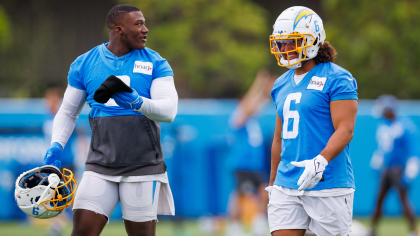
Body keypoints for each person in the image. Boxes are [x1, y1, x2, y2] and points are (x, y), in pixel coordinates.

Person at [43, 4, 178, 236]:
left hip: (142, 166)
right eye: (138, 24)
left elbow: (169, 111)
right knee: (82, 231)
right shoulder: (85, 63)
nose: (145, 29)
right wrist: (56, 146)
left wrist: (137, 102)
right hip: (100, 164)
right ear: (119, 30)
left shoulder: (156, 62)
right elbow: (67, 112)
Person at [266, 6, 358, 236]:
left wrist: (320, 161)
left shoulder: (337, 78)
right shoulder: (280, 84)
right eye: (281, 43)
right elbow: (278, 139)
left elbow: (345, 129)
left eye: (292, 42)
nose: (285, 49)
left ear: (313, 40)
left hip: (328, 183)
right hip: (287, 184)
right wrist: (273, 182)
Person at [225, 69, 276, 236]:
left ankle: (258, 222)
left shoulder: (253, 122)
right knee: (240, 194)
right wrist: (259, 83)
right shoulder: (238, 117)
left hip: (255, 164)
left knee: (263, 191)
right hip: (242, 163)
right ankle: (234, 225)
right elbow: (249, 104)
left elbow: (260, 102)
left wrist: (268, 88)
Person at [369, 95, 419, 236]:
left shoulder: (404, 125)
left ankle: (413, 231)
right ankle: (372, 229)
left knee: (403, 200)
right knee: (379, 200)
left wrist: (411, 167)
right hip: (387, 168)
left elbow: (413, 148)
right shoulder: (383, 125)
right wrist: (377, 159)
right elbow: (383, 147)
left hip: (399, 169)